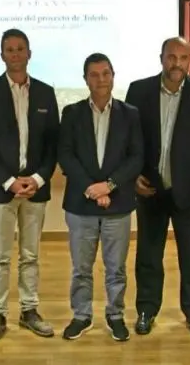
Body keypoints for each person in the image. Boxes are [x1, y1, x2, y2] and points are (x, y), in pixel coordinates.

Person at [124, 37, 190, 336]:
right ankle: (146, 310)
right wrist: (132, 176)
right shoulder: (139, 90)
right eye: (171, 57)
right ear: (161, 58)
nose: (176, 63)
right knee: (148, 256)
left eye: (182, 57)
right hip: (150, 189)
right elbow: (128, 139)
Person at [0, 28, 60, 344]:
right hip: (0, 189)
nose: (15, 54)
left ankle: (29, 311)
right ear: (2, 55)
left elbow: (53, 144)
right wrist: (9, 181)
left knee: (30, 254)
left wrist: (37, 179)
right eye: (9, 49)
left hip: (35, 188)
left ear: (29, 53)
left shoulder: (46, 92)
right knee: (0, 256)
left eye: (20, 48)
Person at [58, 53, 143, 342]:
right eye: (94, 75)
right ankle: (81, 315)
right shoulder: (72, 113)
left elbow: (136, 157)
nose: (101, 79)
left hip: (118, 203)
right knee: (81, 268)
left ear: (113, 76)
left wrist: (109, 186)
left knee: (116, 268)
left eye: (106, 73)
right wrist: (91, 189)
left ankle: (115, 315)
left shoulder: (130, 114)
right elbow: (65, 155)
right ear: (85, 80)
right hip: (81, 205)